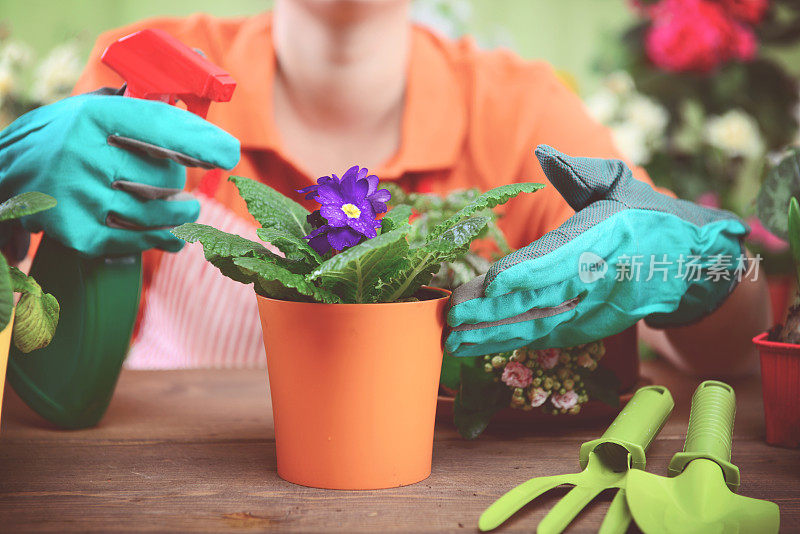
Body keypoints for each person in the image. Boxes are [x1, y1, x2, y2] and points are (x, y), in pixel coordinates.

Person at [0, 0, 769, 373]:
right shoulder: (149, 71)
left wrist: (700, 270)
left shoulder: (519, 114)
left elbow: (728, 345)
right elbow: (38, 351)